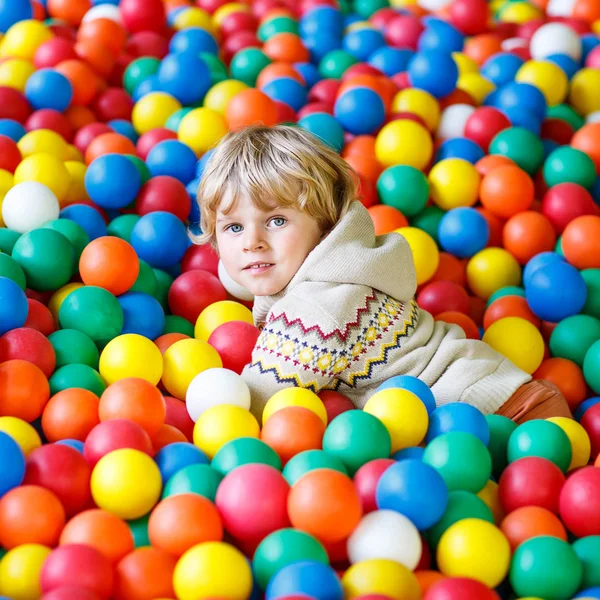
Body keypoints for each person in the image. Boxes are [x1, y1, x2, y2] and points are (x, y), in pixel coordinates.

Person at [193, 124, 572, 424]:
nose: (252, 243)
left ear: (324, 227)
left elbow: (259, 402)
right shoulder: (350, 263)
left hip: (503, 417)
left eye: (276, 220)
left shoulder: (315, 310)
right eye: (233, 227)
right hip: (504, 389)